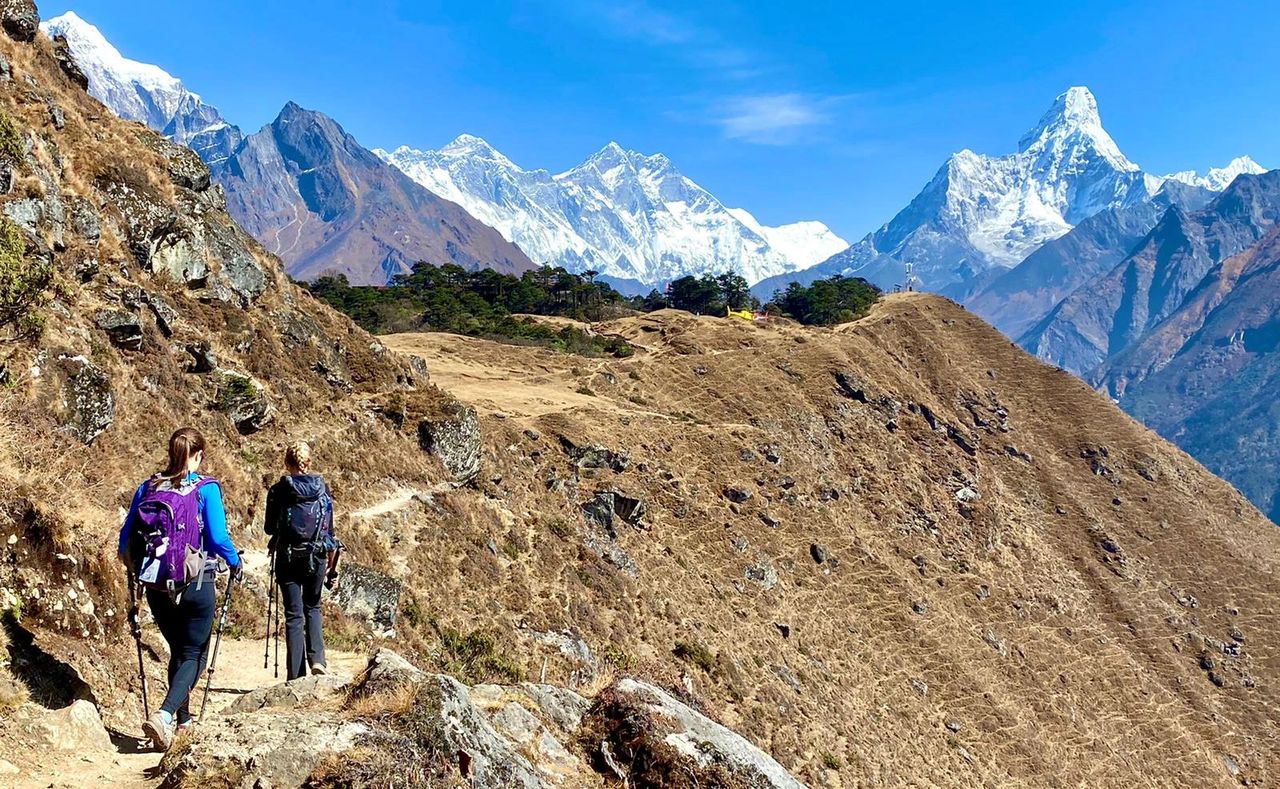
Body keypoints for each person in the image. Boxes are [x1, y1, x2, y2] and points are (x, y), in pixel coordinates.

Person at [118, 427, 242, 751]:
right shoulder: (206, 488)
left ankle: (181, 725)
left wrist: (137, 571)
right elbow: (216, 537)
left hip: (156, 585)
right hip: (195, 583)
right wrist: (235, 561)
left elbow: (124, 541)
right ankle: (166, 714)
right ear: (198, 455)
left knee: (179, 651)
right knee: (194, 654)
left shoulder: (148, 487)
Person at [265, 441, 336, 681]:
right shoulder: (322, 492)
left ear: (287, 462)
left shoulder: (278, 491)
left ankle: (296, 674)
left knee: (294, 615)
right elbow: (330, 531)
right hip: (317, 556)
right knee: (313, 607)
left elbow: (268, 527)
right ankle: (318, 660)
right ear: (309, 462)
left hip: (288, 557)